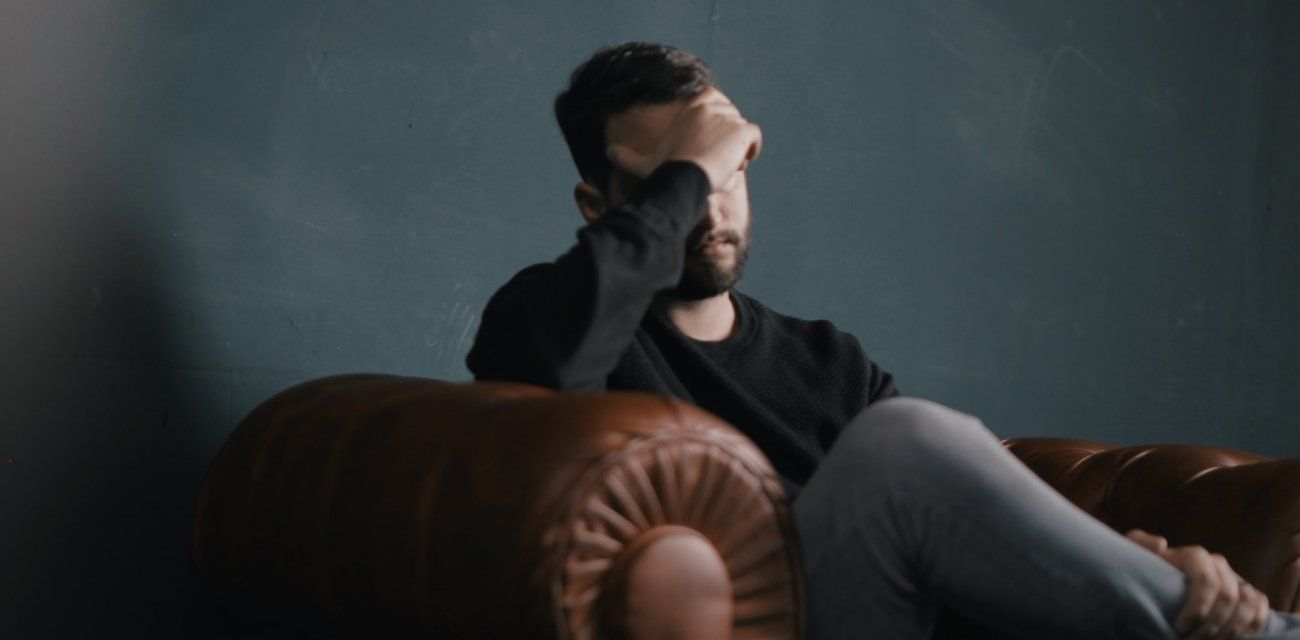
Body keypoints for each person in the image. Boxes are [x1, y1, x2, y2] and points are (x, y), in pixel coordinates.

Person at [465, 41, 1300, 639]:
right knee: (900, 444)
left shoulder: (831, 362)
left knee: (918, 453)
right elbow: (546, 372)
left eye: (728, 175)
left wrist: (1134, 564)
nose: (711, 209)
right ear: (598, 206)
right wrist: (689, 170)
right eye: (677, 185)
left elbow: (964, 527)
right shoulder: (546, 317)